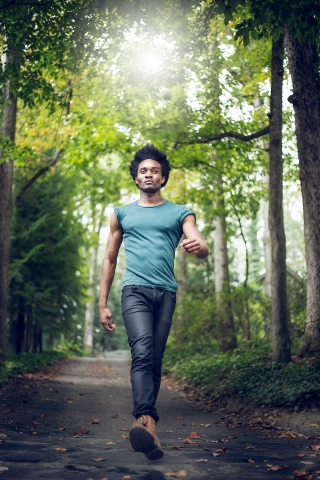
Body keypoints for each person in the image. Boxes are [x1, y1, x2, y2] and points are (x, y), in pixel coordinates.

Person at [99, 144, 209, 461]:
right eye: (143, 170)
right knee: (143, 351)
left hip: (166, 292)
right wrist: (102, 303)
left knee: (155, 360)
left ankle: (150, 430)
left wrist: (199, 247)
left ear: (163, 178)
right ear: (136, 178)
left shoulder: (179, 212)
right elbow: (109, 258)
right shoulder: (121, 213)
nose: (149, 174)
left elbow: (199, 242)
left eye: (155, 170)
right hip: (134, 290)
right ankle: (144, 418)